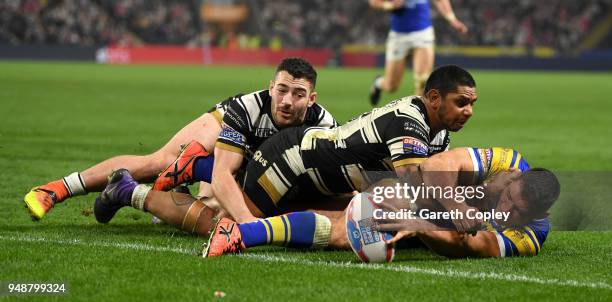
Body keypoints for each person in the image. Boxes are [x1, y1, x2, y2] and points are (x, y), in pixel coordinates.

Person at [92, 65, 477, 244]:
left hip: (316, 172)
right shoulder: (409, 121)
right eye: (461, 103)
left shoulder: (435, 135)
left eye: (472, 104)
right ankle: (130, 191)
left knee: (343, 217)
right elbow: (413, 187)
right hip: (289, 161)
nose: (469, 112)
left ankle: (197, 168)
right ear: (433, 99)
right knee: (232, 225)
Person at [24, 57, 337, 220]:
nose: (286, 101)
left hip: (256, 163)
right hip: (226, 134)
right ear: (270, 87)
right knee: (159, 161)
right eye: (281, 90)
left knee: (220, 206)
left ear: (311, 99)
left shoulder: (323, 125)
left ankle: (133, 191)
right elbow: (224, 171)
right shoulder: (246, 108)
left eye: (298, 94)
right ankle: (54, 190)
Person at [205, 147, 560, 259]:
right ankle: (238, 220)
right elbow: (436, 165)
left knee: (347, 226)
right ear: (513, 180)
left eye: (517, 213)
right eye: (509, 200)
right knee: (350, 225)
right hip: (423, 189)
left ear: (539, 216)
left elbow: (473, 245)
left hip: (433, 224)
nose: (505, 213)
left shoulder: (532, 236)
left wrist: (420, 226)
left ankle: (241, 229)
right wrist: (454, 208)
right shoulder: (507, 162)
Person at [368, 0, 468, 105]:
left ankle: (417, 115)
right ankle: (378, 83)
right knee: (391, 86)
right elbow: (374, 2)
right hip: (398, 36)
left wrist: (452, 19)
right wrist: (389, 5)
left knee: (423, 80)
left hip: (423, 33)